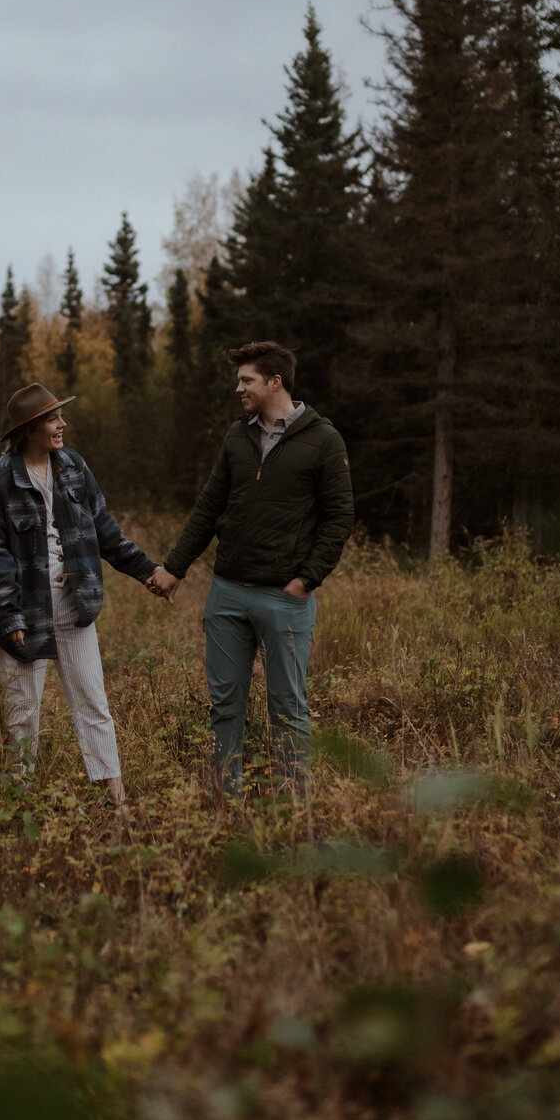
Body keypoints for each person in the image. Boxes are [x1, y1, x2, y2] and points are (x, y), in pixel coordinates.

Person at [147, 341, 354, 798]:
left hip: (284, 597)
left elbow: (340, 517)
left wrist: (306, 581)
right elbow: (208, 507)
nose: (238, 387)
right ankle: (225, 795)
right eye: (239, 379)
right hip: (226, 593)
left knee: (287, 706)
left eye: (247, 380)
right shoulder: (237, 436)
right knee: (225, 705)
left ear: (274, 382)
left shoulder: (323, 439)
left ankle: (292, 802)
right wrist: (175, 567)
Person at [0, 382, 174, 804]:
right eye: (53, 418)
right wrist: (8, 615)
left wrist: (147, 571)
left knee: (94, 705)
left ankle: (116, 802)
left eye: (60, 416)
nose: (63, 424)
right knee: (22, 714)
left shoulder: (73, 467)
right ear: (29, 428)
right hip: (26, 616)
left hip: (76, 606)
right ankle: (21, 806)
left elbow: (105, 530)